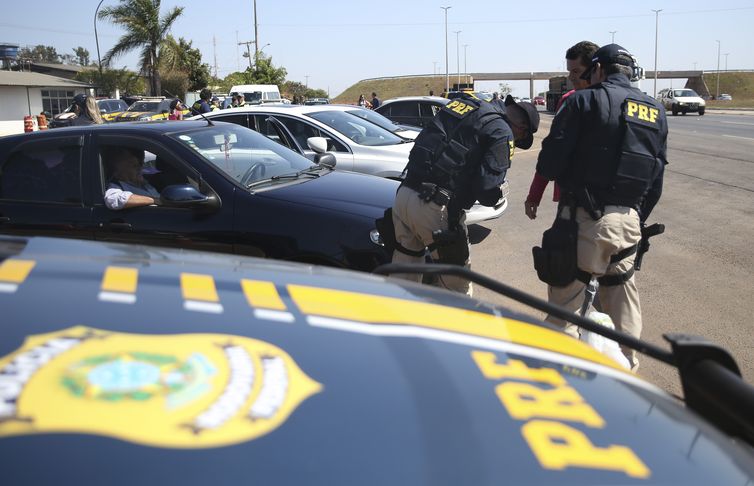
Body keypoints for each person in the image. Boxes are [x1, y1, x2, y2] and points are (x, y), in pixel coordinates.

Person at [535, 44, 668, 369]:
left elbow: (549, 164)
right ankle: (626, 379)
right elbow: (657, 180)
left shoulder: (583, 101)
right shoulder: (655, 111)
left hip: (585, 223)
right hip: (629, 224)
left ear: (597, 70)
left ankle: (556, 381)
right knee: (623, 307)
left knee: (566, 309)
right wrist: (634, 217)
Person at [391, 92, 540, 295]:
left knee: (404, 280)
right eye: (521, 136)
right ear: (521, 128)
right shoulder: (501, 130)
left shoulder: (466, 105)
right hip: (435, 210)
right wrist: (499, 192)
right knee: (458, 288)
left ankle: (398, 323)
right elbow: (487, 189)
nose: (516, 138)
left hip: (404, 195)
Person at [524, 41, 599, 221]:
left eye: (576, 71)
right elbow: (553, 151)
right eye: (569, 71)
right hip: (571, 197)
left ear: (594, 70)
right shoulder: (568, 101)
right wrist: (535, 195)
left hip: (603, 198)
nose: (571, 78)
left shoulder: (613, 105)